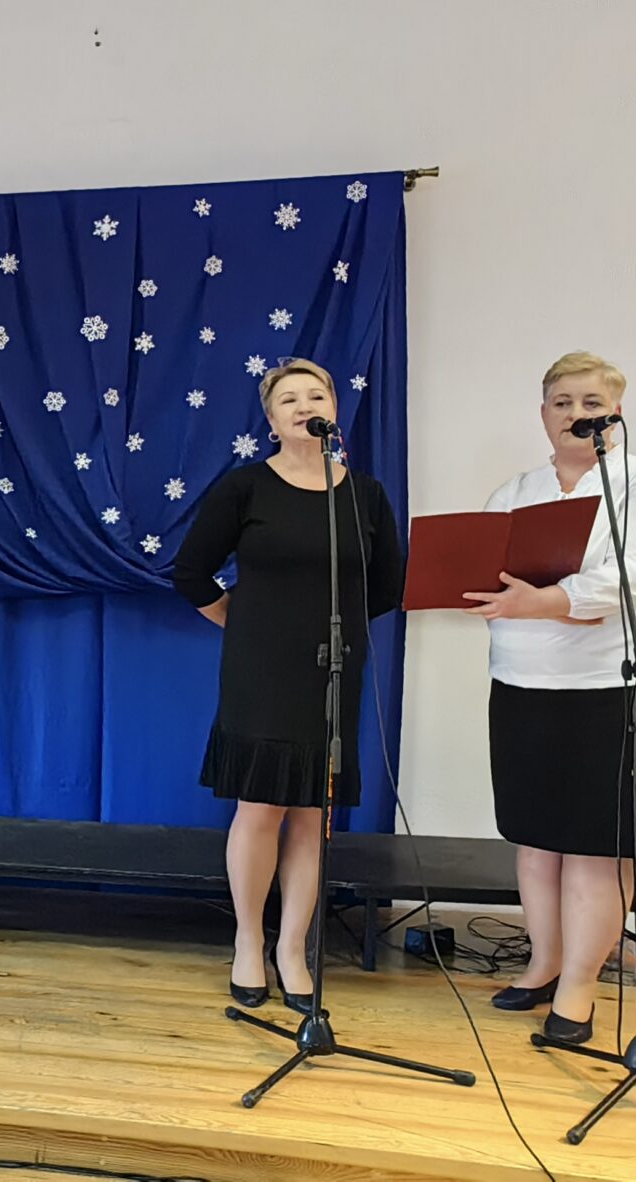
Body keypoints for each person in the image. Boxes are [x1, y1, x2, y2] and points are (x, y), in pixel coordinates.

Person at [462, 351, 636, 1047]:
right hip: (526, 681)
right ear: (543, 415)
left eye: (591, 402)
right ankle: (544, 963)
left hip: (612, 685)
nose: (576, 414)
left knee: (598, 846)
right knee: (536, 839)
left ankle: (580, 989)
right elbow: (485, 574)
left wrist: (548, 601)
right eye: (562, 403)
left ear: (615, 413)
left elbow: (635, 577)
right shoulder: (515, 493)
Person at [171, 358, 404, 1014]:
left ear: (334, 409)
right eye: (290, 399)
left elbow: (386, 586)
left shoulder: (365, 495)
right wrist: (244, 622)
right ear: (271, 421)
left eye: (316, 395)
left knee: (311, 814)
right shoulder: (245, 488)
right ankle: (248, 941)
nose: (305, 406)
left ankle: (293, 948)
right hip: (261, 672)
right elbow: (190, 572)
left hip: (332, 672)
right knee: (261, 808)